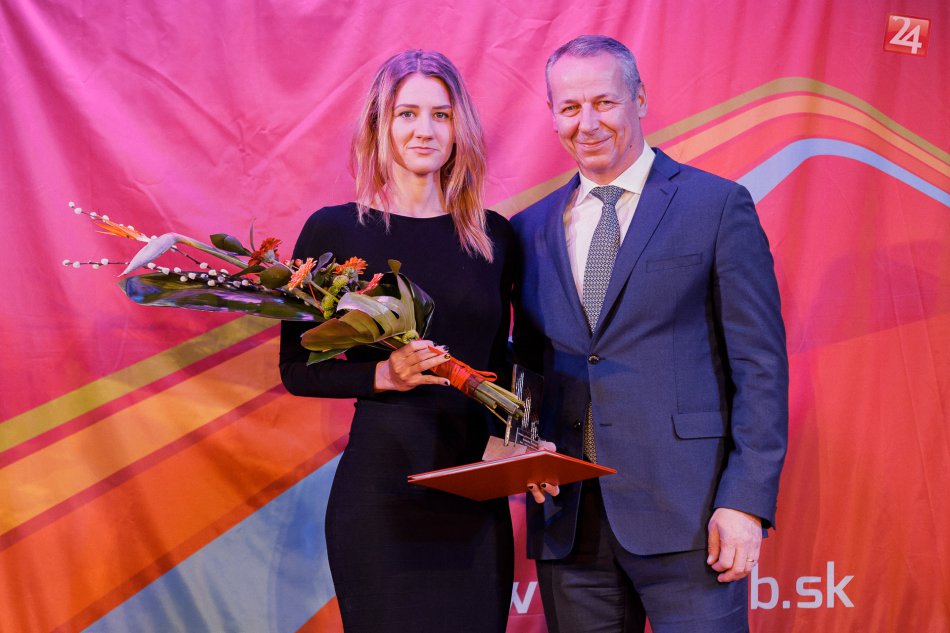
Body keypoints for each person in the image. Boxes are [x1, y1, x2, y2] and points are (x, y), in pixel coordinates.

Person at [512, 35, 788, 632]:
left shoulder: (716, 206)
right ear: (552, 115)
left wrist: (745, 501)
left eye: (604, 102)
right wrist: (523, 450)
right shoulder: (527, 229)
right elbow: (529, 365)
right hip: (570, 523)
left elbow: (760, 367)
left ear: (639, 98)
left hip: (693, 517)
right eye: (569, 107)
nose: (587, 123)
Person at [279, 50, 515, 632]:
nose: (424, 130)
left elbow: (513, 363)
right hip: (382, 493)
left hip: (474, 491)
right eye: (406, 113)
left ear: (460, 128)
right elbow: (297, 368)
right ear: (379, 125)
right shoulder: (335, 229)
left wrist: (523, 446)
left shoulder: (494, 237)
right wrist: (384, 374)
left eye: (441, 114)